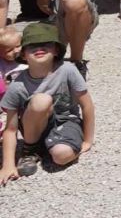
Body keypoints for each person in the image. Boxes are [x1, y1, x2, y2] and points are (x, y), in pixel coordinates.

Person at [0, 21, 92, 182]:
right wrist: (8, 165)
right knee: (41, 100)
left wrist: (88, 140)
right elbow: (10, 129)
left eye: (46, 44)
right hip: (33, 126)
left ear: (56, 50)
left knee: (61, 156)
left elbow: (87, 105)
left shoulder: (68, 70)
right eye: (32, 46)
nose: (39, 49)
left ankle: (50, 146)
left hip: (66, 121)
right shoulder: (17, 85)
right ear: (23, 54)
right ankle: (30, 150)